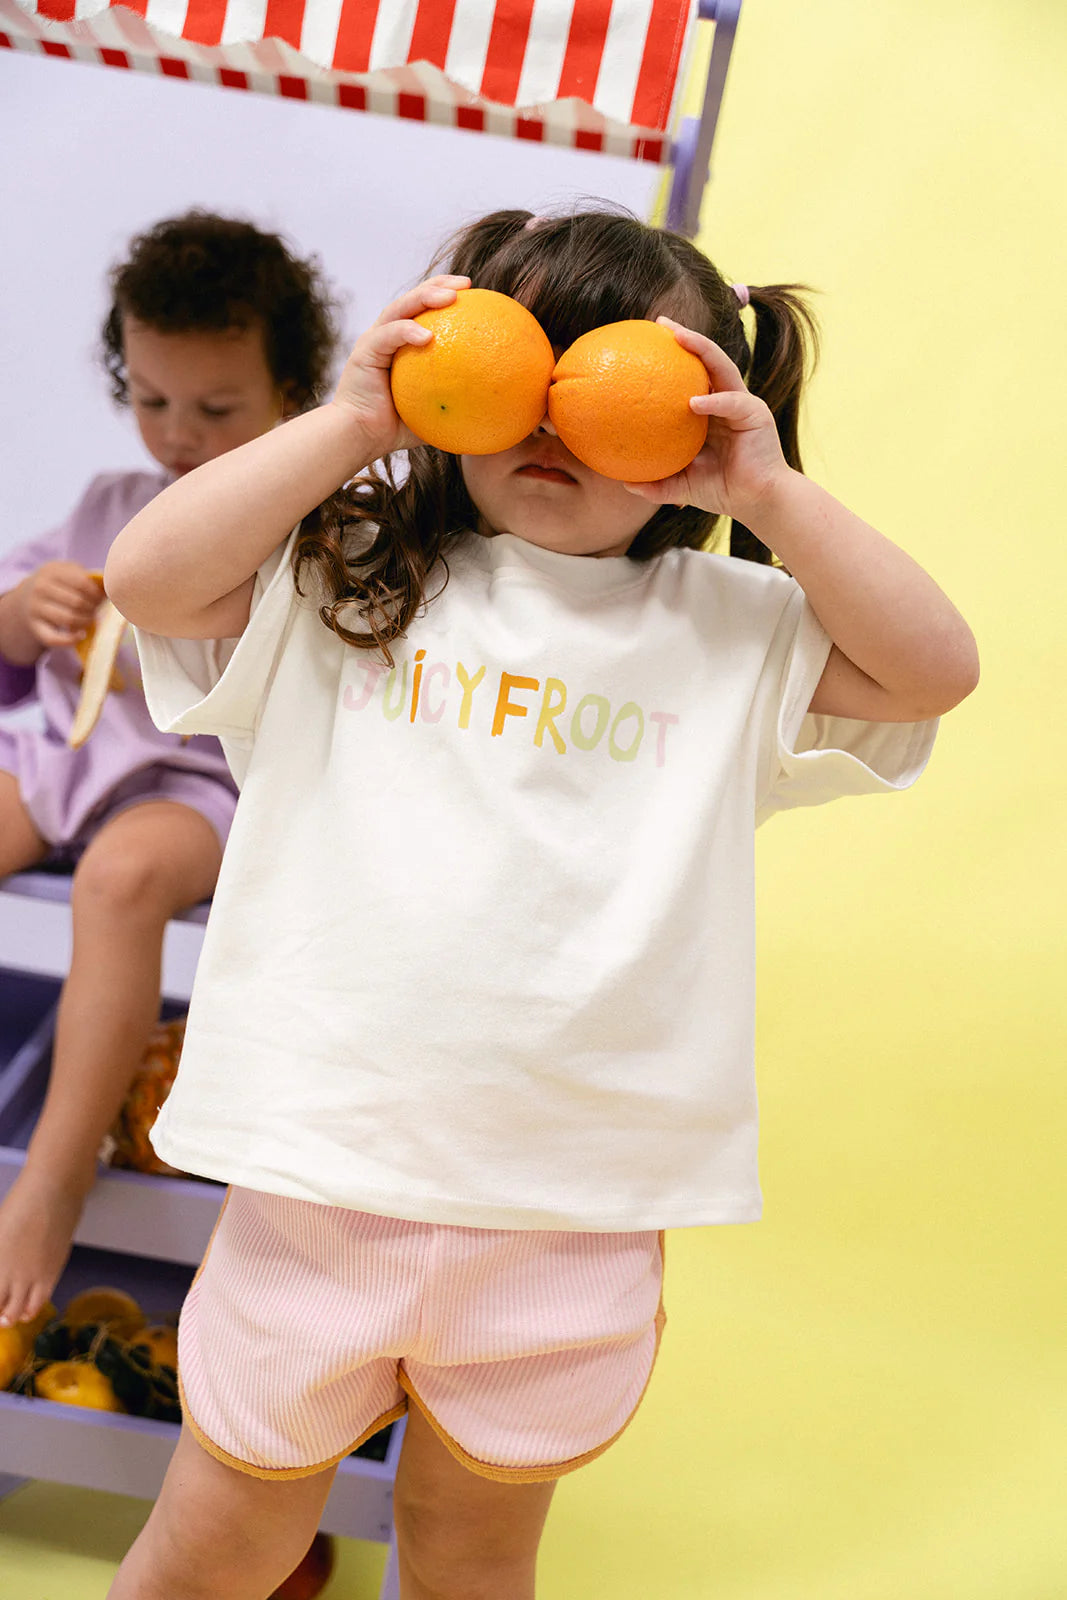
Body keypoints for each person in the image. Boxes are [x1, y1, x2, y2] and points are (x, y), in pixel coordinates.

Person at [102, 207, 978, 1600]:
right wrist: (347, 424)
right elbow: (147, 578)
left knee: (473, 1554)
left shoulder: (728, 625)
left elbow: (933, 671)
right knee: (224, 1543)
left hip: (567, 1206)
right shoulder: (355, 569)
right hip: (330, 1172)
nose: (555, 414)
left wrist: (771, 497)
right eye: (525, 366)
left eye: (609, 376)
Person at [0, 210, 339, 1329]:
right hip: (64, 750)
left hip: (194, 780)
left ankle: (51, 1175)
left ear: (293, 393)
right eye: (151, 400)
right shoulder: (109, 505)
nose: (178, 435)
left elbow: (315, 684)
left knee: (123, 881)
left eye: (216, 409)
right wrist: (25, 615)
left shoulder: (312, 529)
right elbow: (11, 637)